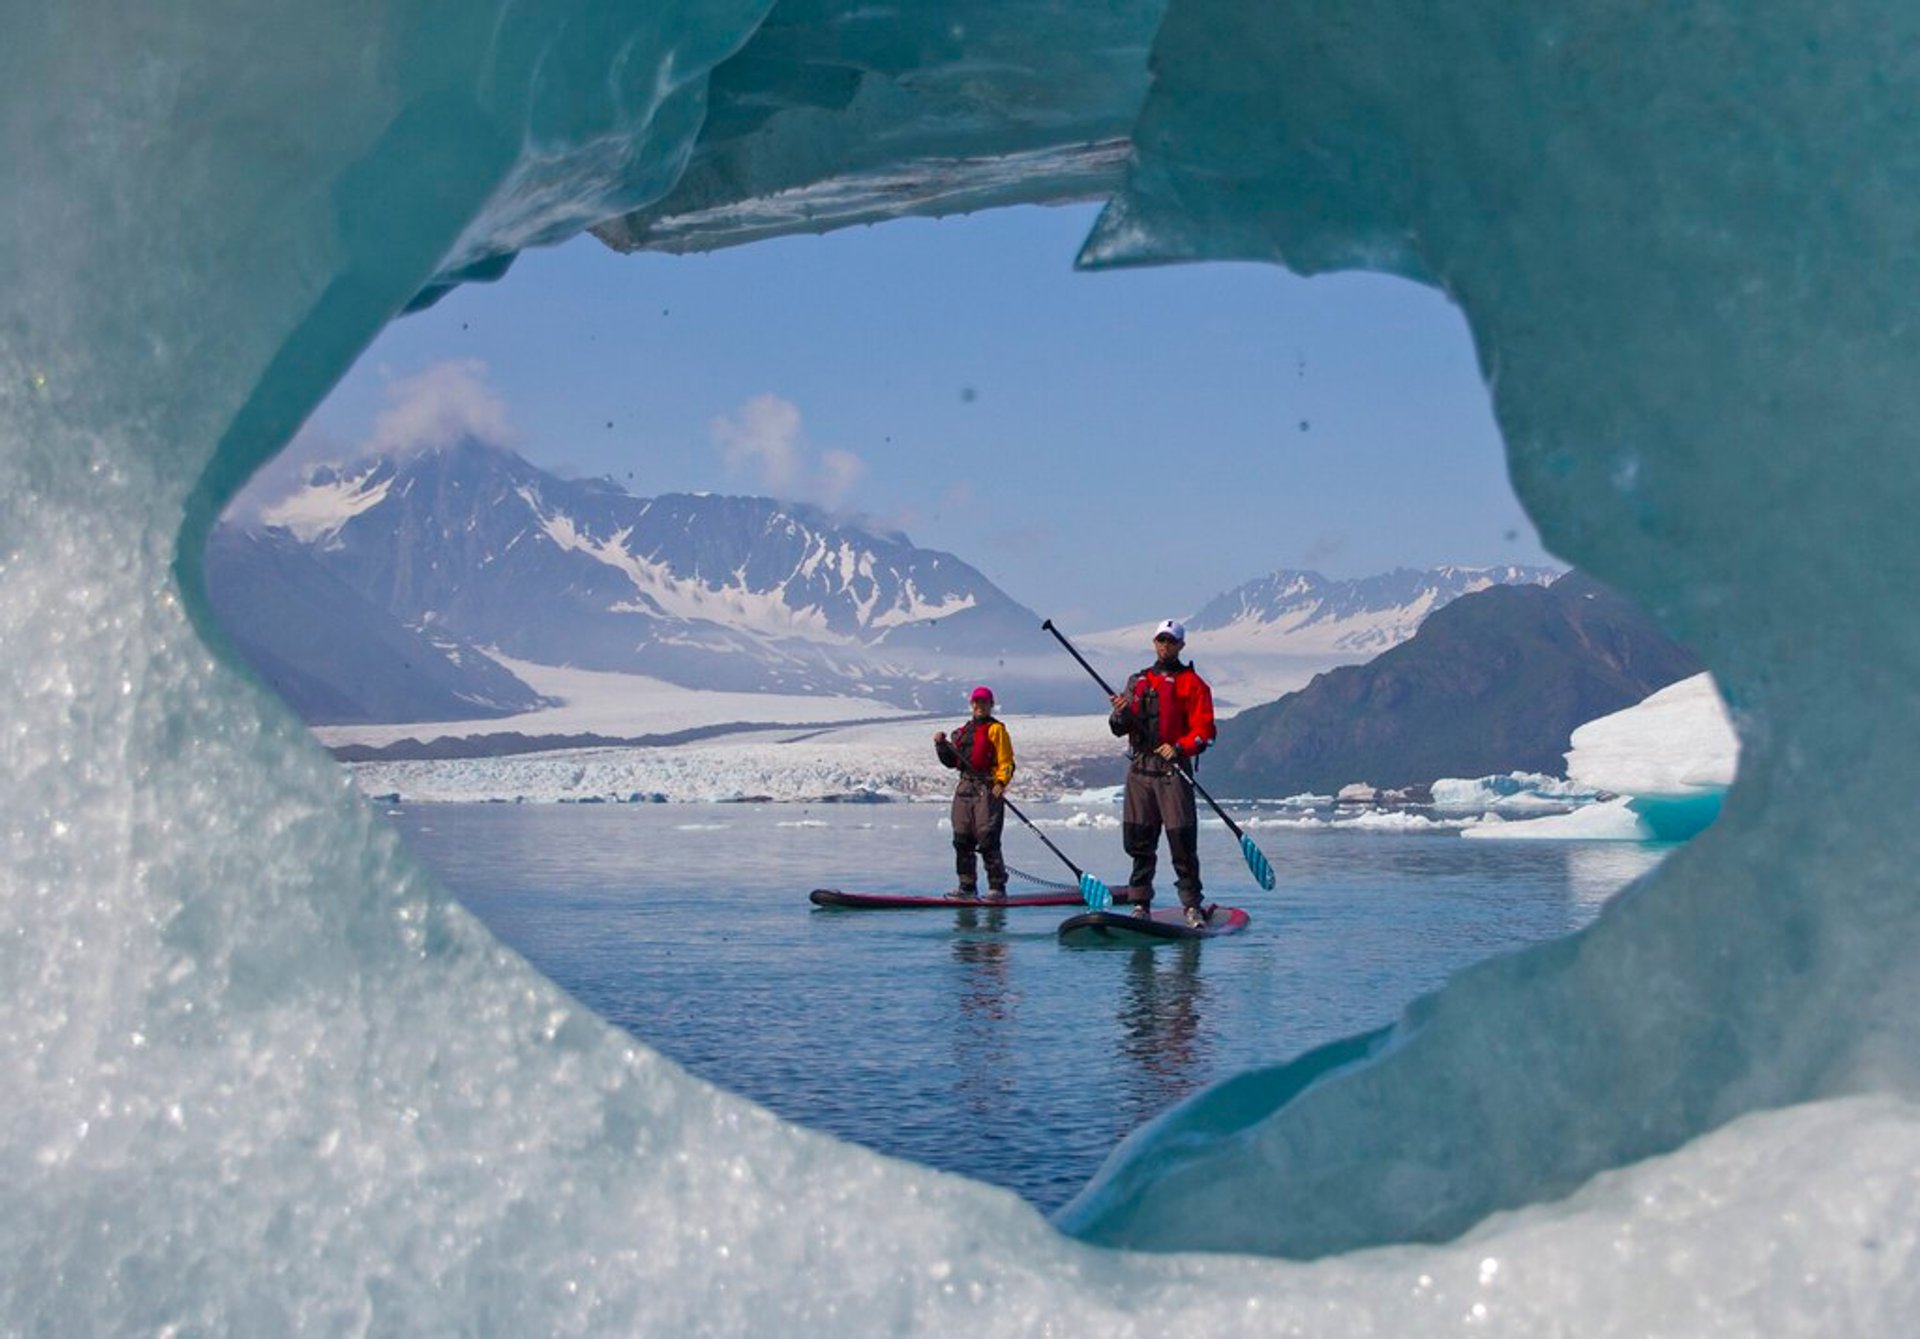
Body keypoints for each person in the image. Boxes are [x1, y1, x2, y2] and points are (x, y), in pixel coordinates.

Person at [1108, 619, 1217, 928]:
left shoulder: (1194, 685)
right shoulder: (1137, 681)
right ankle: (1140, 903)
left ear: (1181, 646)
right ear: (1154, 643)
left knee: (1181, 839)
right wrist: (1120, 712)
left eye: (1171, 641)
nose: (1165, 646)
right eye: (1160, 640)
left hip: (1172, 770)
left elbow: (1205, 732)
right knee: (1139, 840)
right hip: (1140, 769)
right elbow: (1117, 728)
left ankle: (1192, 906)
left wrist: (1180, 748)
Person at [934, 686, 1016, 900]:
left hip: (987, 789)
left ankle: (997, 887)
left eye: (984, 702)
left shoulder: (997, 730)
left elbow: (1006, 761)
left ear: (991, 705)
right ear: (972, 705)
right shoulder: (962, 732)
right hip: (964, 787)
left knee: (987, 837)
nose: (980, 706)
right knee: (962, 838)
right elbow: (951, 762)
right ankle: (967, 887)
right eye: (976, 702)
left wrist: (1001, 782)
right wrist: (941, 746)